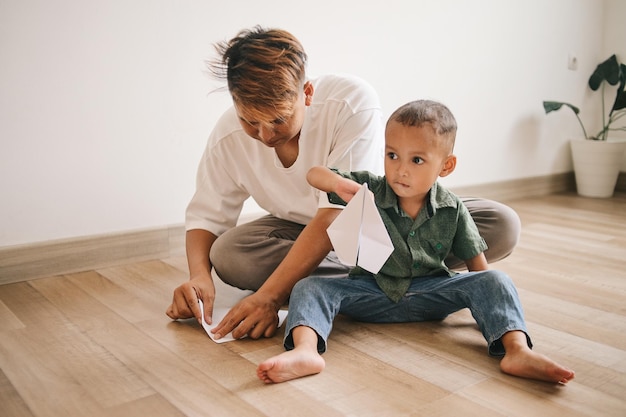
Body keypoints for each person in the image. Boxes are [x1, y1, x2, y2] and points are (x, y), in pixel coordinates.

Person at [165, 26, 522, 343]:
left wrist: (270, 297)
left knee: (501, 223)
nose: (264, 134)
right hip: (296, 231)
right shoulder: (227, 137)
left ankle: (358, 283)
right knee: (228, 253)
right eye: (250, 121)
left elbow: (337, 211)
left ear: (306, 92)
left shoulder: (350, 101)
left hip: (375, 220)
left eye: (278, 119)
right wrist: (199, 277)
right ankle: (396, 279)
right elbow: (206, 216)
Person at [257, 100, 575, 385]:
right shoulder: (370, 188)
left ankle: (517, 351)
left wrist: (489, 307)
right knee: (309, 287)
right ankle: (305, 351)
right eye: (392, 155)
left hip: (433, 293)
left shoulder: (452, 208)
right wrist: (338, 183)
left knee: (496, 279)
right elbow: (315, 173)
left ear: (446, 166)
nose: (401, 170)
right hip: (373, 291)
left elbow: (479, 272)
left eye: (417, 160)